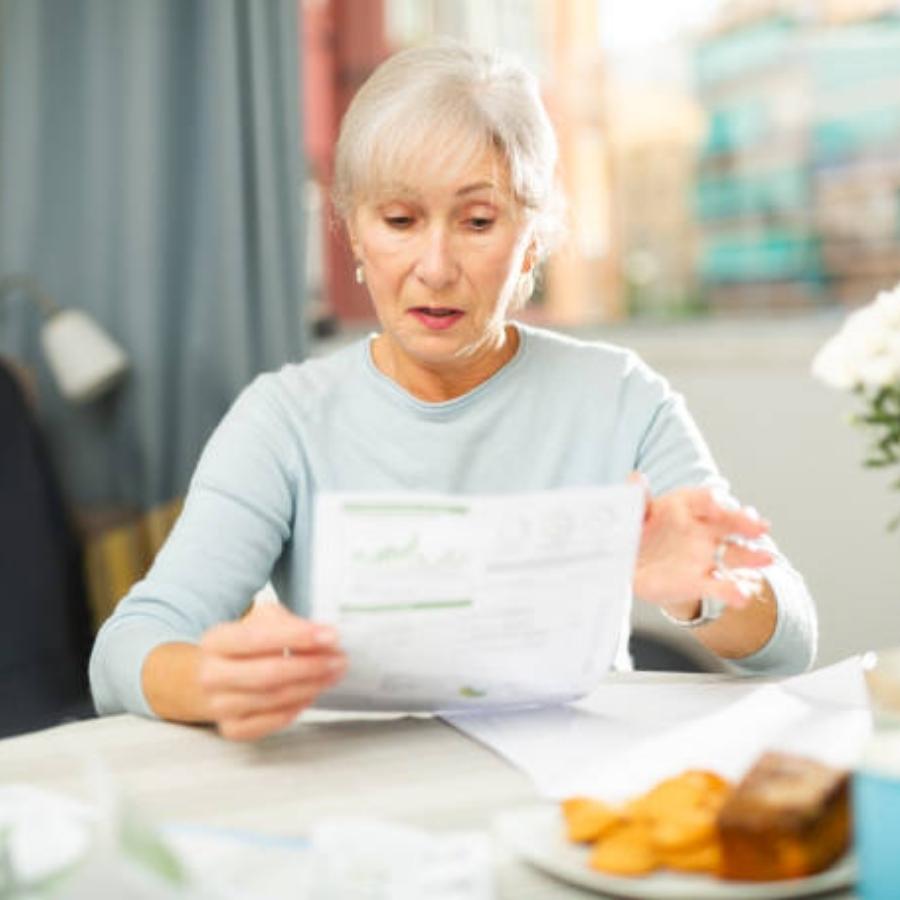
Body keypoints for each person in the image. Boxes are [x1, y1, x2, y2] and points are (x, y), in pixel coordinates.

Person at [90, 41, 816, 741]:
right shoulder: (284, 419)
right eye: (400, 220)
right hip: (364, 795)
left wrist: (699, 589)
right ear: (354, 235)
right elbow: (126, 651)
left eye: (477, 221)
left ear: (532, 237)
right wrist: (208, 681)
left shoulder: (620, 396)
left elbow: (791, 642)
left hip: (573, 788)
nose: (435, 267)